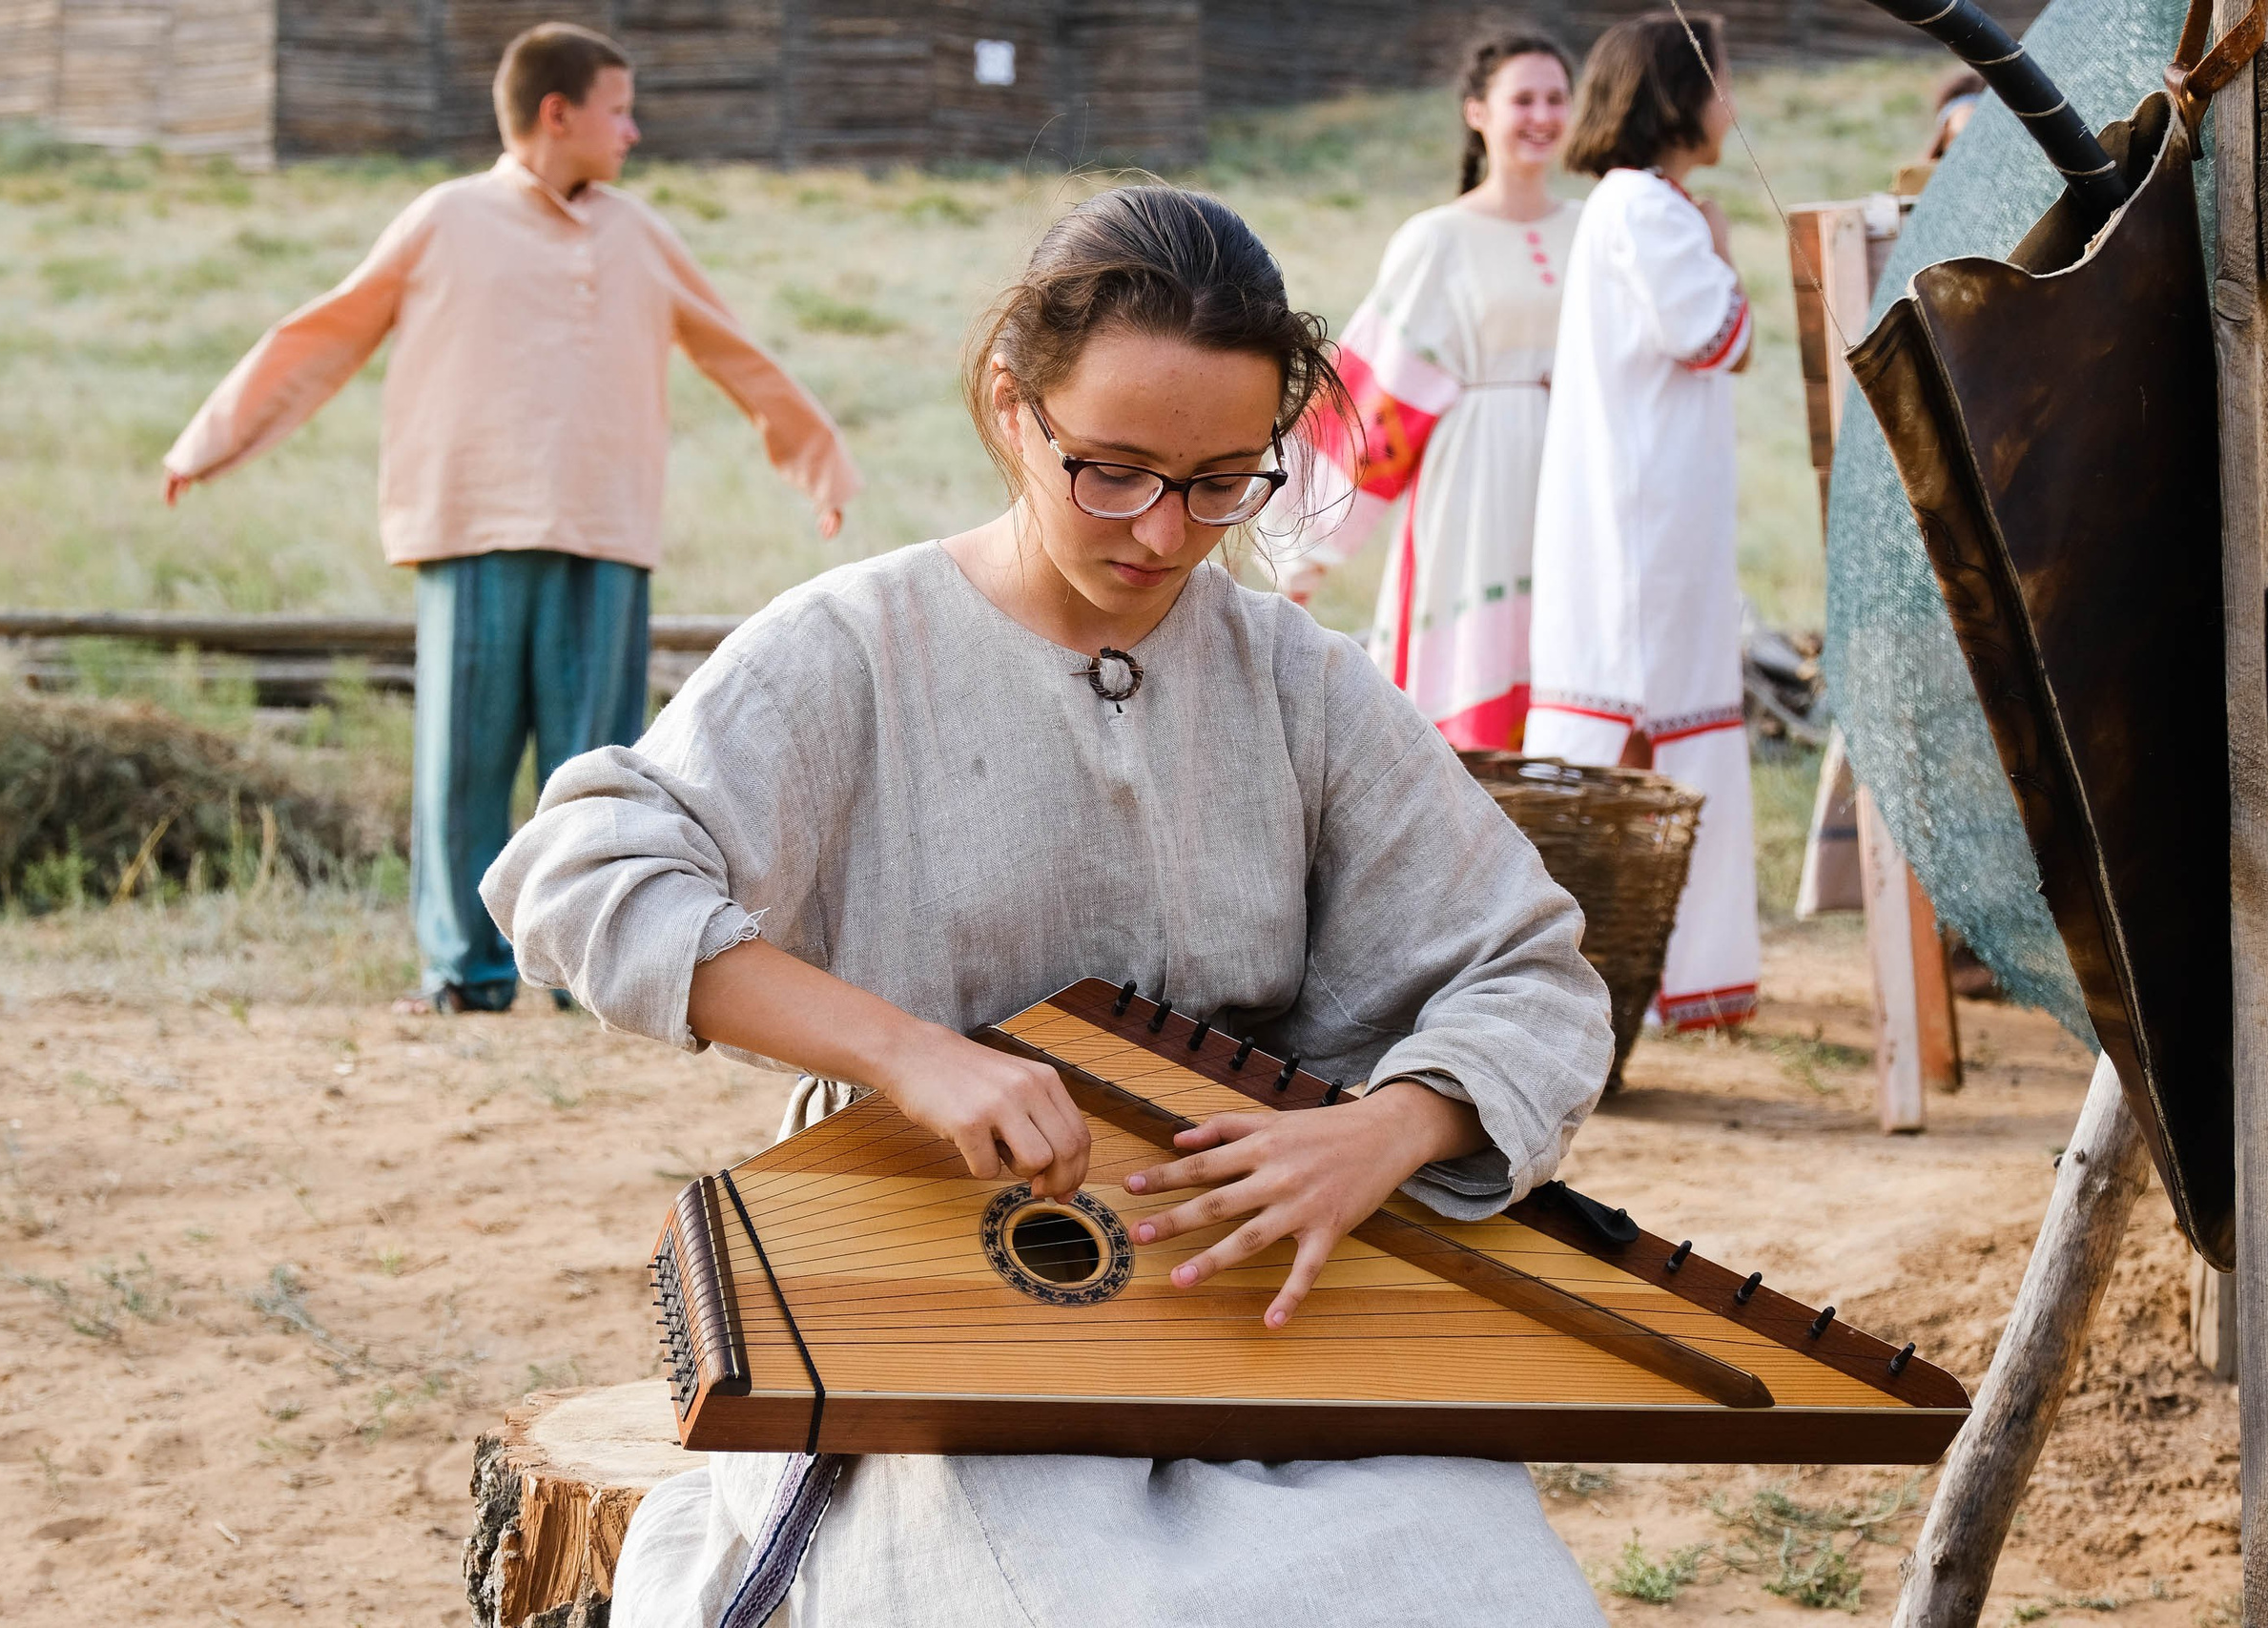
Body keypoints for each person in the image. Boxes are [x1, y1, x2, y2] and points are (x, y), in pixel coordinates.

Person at [484, 185, 1614, 1627]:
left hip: (1255, 1274)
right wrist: (911, 1051)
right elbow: (583, 873)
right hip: (931, 1267)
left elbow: (1529, 970)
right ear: (1013, 408)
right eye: (1114, 469)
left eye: (1221, 482)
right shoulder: (857, 645)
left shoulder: (1296, 680)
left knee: (1484, 1586)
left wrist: (1382, 1129)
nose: (1162, 530)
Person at [159, 22, 858, 1016]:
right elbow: (325, 331)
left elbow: (735, 353)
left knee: (600, 774)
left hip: (605, 528)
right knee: (464, 762)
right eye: (618, 110)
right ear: (555, 113)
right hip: (472, 523)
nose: (634, 131)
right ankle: (464, 971)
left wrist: (817, 462)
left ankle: (589, 971)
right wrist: (207, 441)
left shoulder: (638, 232)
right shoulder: (445, 218)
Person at [1522, 10, 1761, 1032]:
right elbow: (1718, 335)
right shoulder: (1653, 211)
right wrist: (1722, 246)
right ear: (1676, 95)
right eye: (1720, 83)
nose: (1731, 107)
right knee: (1651, 727)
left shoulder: (1623, 206)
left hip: (1641, 507)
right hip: (1645, 523)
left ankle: (1647, 977)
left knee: (1641, 725)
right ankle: (1650, 981)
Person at [1272, 31, 1577, 752]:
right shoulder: (1438, 238)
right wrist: (1307, 543)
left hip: (1576, 467)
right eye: (1522, 99)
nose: (1542, 116)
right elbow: (1379, 387)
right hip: (1478, 480)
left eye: (1556, 98)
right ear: (1478, 111)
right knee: (1480, 660)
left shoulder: (1594, 226)